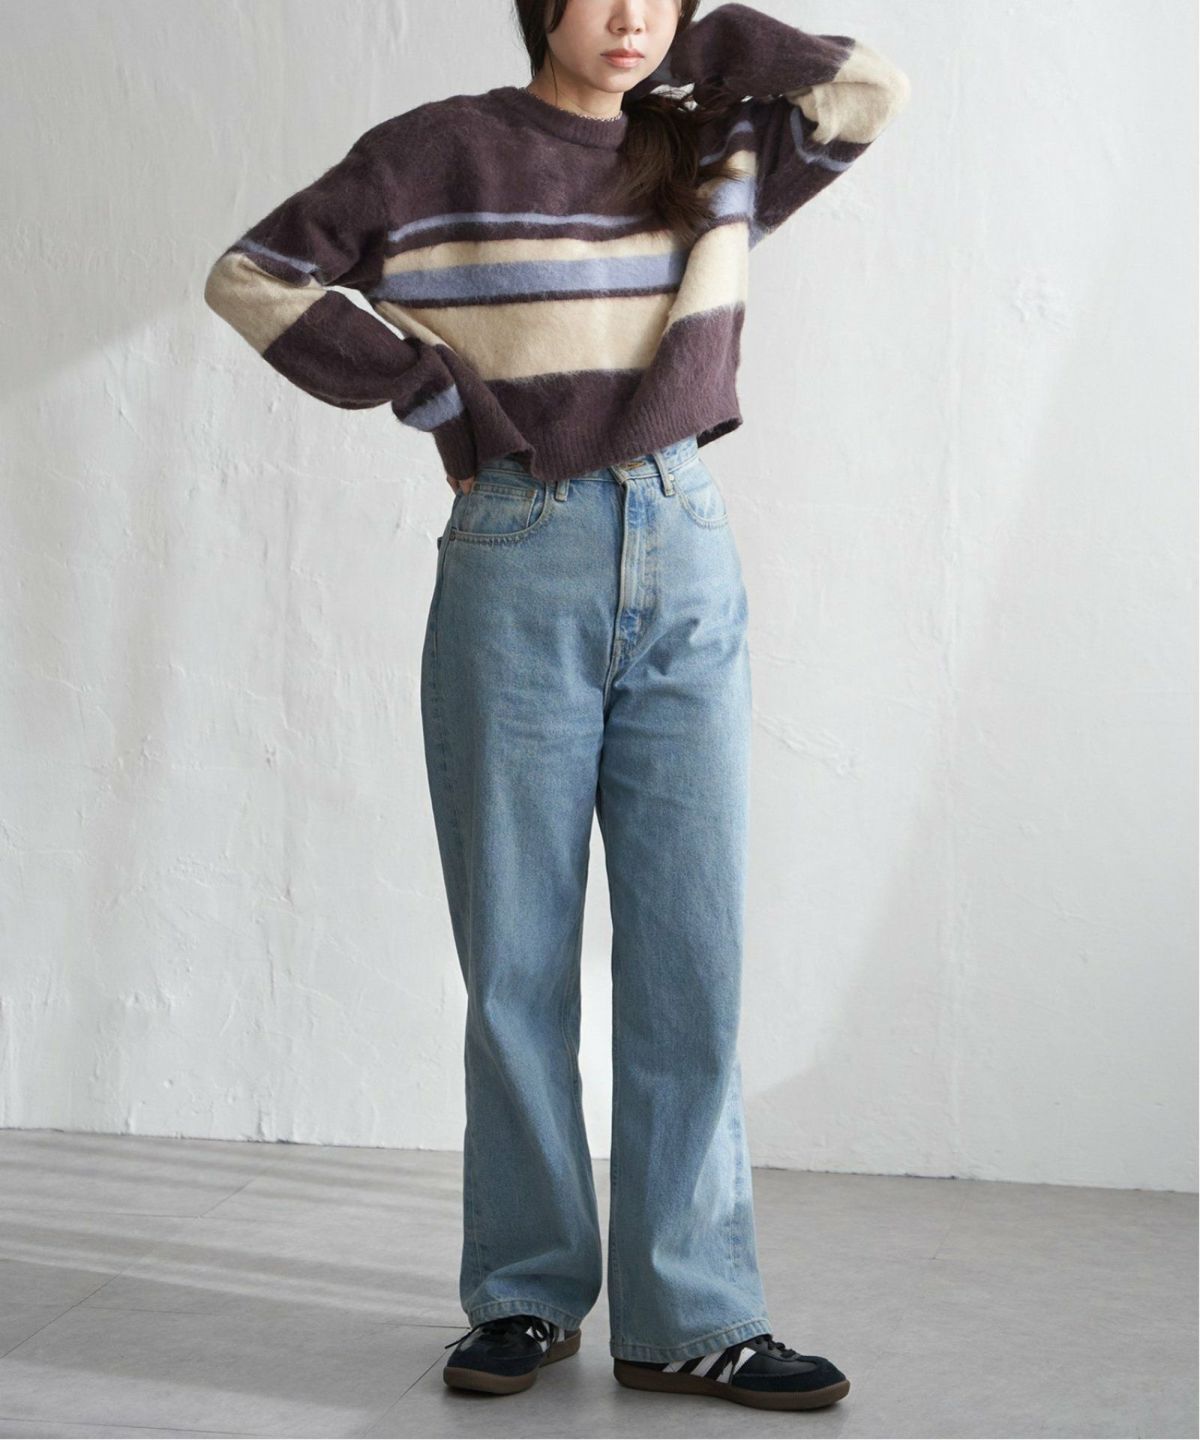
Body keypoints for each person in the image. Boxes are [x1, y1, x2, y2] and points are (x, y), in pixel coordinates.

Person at [204, 0, 909, 1412]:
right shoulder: (438, 153)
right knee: (516, 954)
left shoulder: (709, 145)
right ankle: (525, 1292)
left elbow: (870, 90)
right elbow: (254, 277)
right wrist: (432, 394)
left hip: (684, 541)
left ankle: (691, 1315)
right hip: (518, 552)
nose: (632, 13)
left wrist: (705, 52)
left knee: (691, 952)